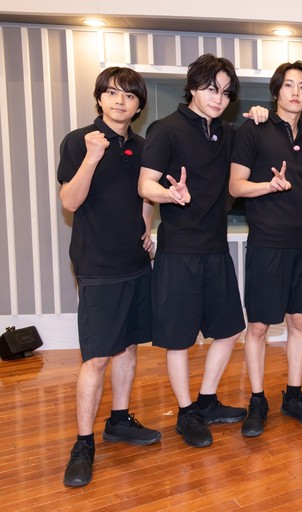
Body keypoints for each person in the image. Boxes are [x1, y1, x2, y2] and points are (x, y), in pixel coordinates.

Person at [58, 67, 160, 487]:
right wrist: (92, 157)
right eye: (113, 93)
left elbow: (145, 194)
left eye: (130, 96)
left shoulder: (142, 146)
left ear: (138, 106)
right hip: (97, 265)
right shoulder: (79, 140)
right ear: (99, 97)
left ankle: (119, 420)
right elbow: (69, 201)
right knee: (98, 356)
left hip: (135, 262)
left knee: (129, 346)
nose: (121, 101)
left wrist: (147, 228)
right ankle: (83, 443)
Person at [138, 54, 246, 448]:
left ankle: (207, 401)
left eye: (226, 93)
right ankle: (186, 413)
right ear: (193, 87)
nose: (219, 98)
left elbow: (250, 146)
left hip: (215, 248)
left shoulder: (227, 133)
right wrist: (170, 194)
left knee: (230, 329)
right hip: (179, 251)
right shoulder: (165, 129)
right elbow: (145, 185)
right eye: (211, 89)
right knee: (179, 338)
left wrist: (260, 116)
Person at [230, 61, 302, 436]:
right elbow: (236, 186)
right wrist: (269, 186)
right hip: (267, 244)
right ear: (277, 91)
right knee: (259, 326)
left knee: (299, 323)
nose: (295, 92)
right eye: (289, 85)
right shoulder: (254, 129)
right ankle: (257, 401)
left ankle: (293, 396)